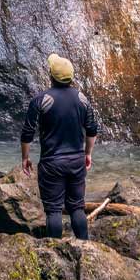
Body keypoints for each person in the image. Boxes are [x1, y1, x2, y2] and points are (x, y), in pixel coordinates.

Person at [19, 53, 99, 240]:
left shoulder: (41, 100)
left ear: (52, 77)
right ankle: (85, 248)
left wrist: (25, 158)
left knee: (54, 209)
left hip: (52, 163)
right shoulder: (82, 99)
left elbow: (27, 133)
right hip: (76, 161)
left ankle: (54, 251)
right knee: (77, 207)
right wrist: (87, 153)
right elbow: (92, 130)